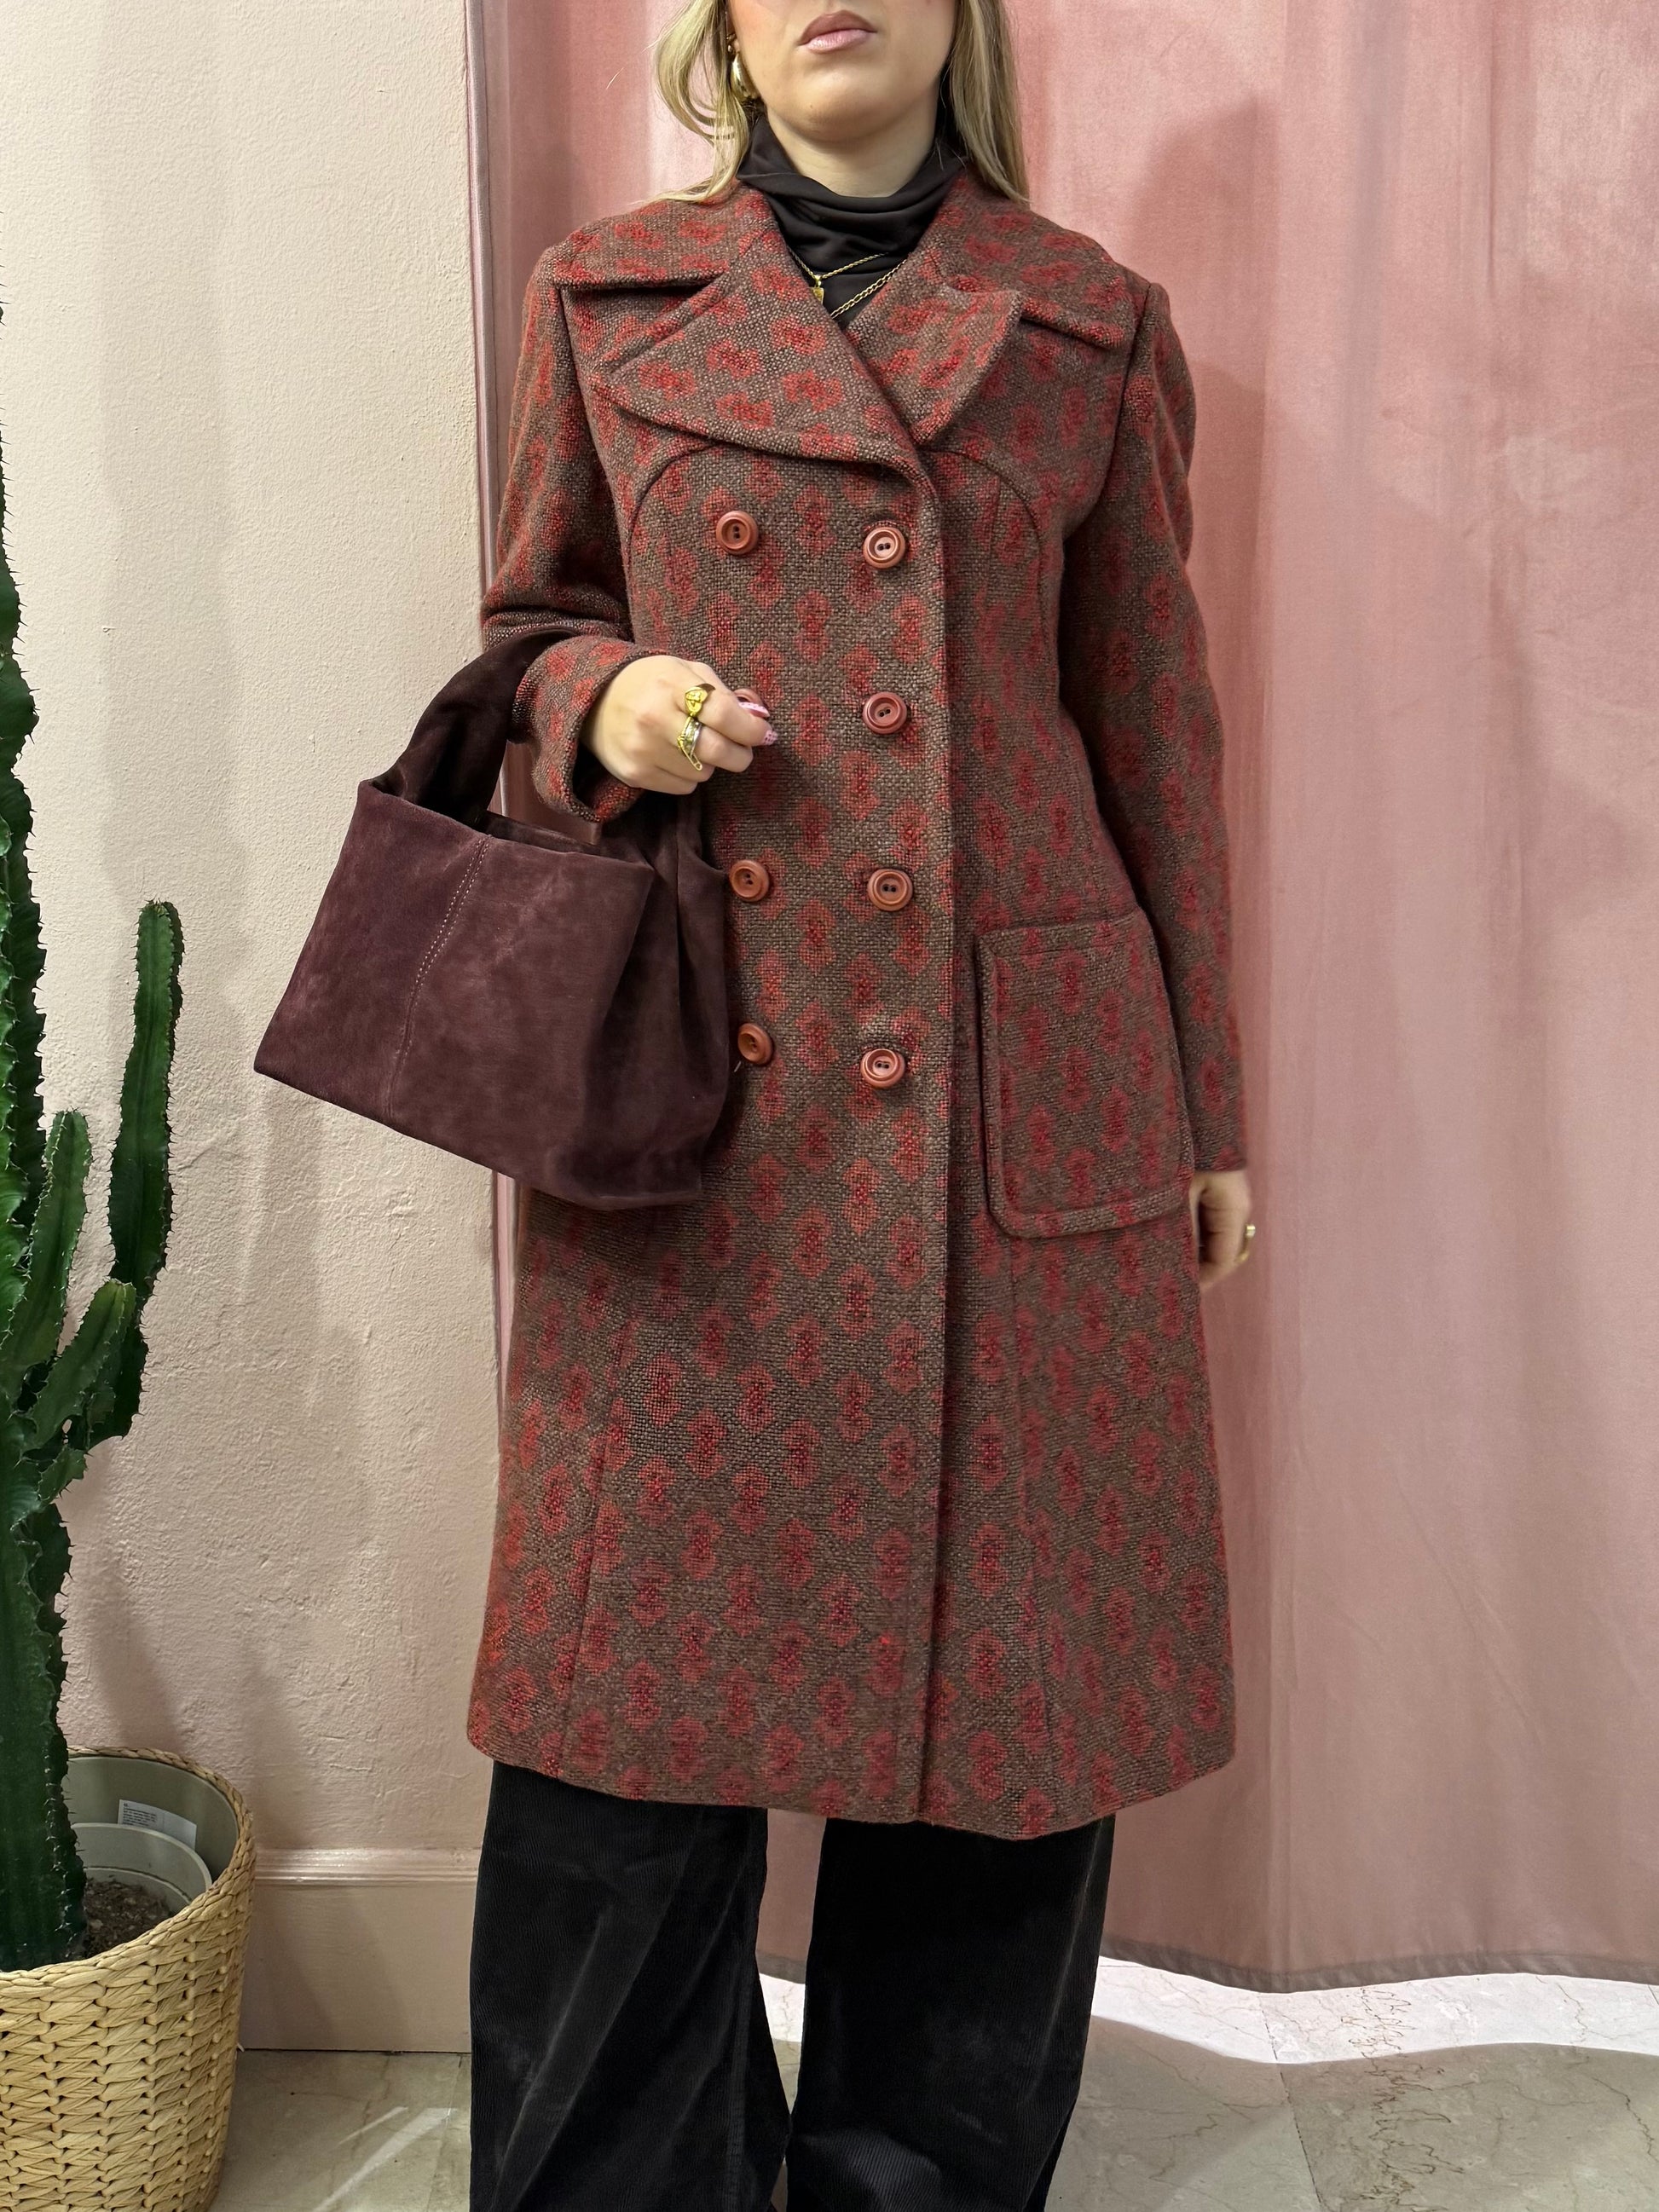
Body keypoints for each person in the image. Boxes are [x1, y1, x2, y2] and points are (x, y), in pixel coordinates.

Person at [465, 3, 1256, 2204]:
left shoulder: (1087, 325)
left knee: (1006, 1721)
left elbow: (1154, 733)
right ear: (719, 19)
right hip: (694, 1100)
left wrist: (1204, 1111)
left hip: (1024, 1105)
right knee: (622, 1720)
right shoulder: (605, 296)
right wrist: (601, 697)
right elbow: (523, 631)